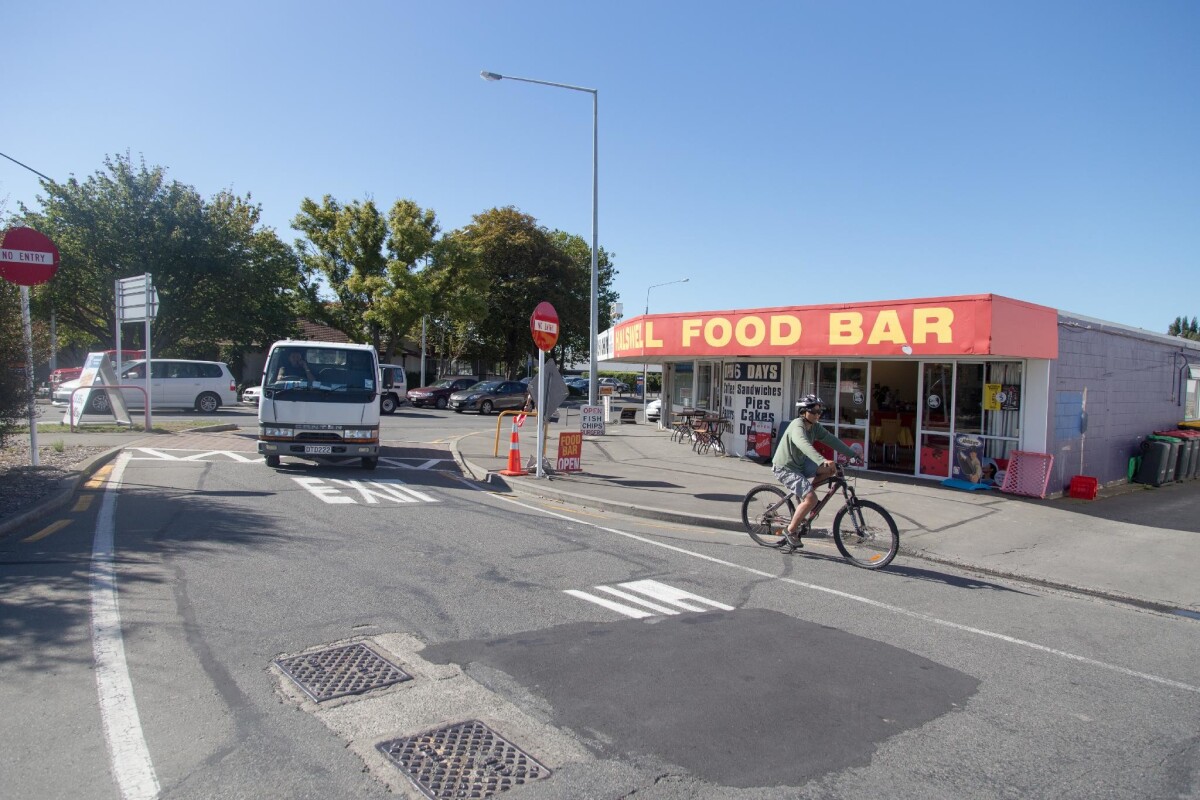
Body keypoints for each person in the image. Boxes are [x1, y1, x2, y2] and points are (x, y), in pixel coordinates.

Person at [771, 394, 861, 546]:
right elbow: (803, 444)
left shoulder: (814, 427)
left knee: (829, 470)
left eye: (820, 411)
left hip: (800, 464)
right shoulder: (797, 425)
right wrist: (822, 460)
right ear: (803, 412)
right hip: (785, 467)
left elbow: (831, 439)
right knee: (812, 498)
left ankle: (807, 499)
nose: (818, 414)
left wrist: (852, 454)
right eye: (814, 411)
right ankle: (791, 530)